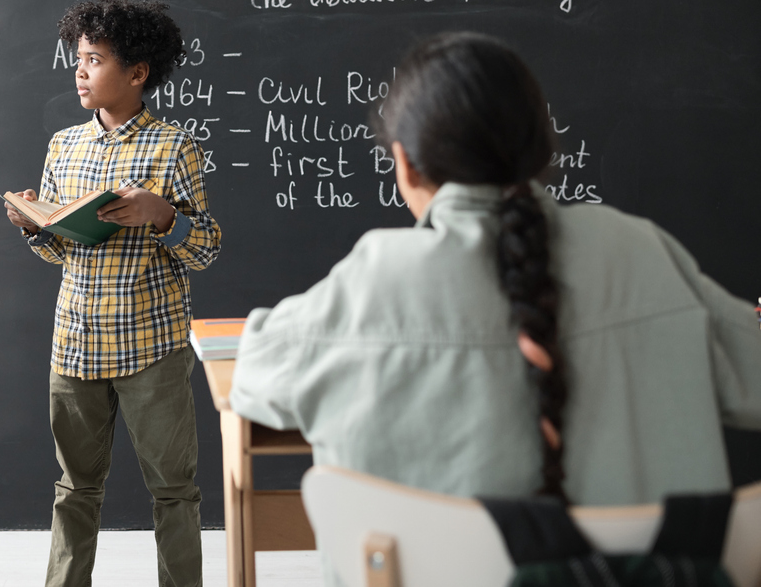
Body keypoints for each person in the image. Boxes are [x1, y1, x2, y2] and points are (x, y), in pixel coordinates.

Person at [229, 31, 761, 506]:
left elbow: (252, 377)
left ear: (405, 163)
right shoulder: (643, 252)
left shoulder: (370, 282)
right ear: (541, 151)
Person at [5, 0, 222, 587]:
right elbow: (60, 249)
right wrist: (35, 225)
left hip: (153, 345)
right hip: (75, 343)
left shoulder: (174, 146)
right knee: (74, 488)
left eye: (95, 59)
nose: (80, 70)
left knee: (174, 491)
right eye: (78, 58)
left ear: (137, 72)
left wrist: (163, 215)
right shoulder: (63, 146)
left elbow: (205, 248)